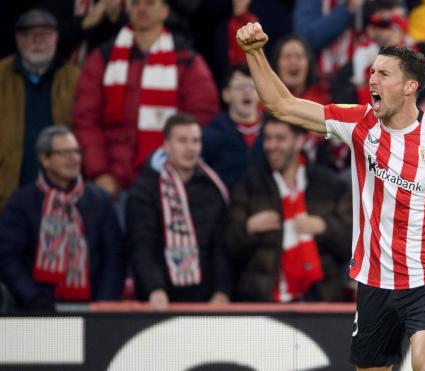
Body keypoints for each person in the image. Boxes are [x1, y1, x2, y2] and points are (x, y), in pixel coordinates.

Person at [236, 22, 425, 370]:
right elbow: (282, 105)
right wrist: (254, 53)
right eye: (372, 72)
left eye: (384, 74)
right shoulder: (359, 123)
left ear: (410, 86)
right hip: (374, 281)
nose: (372, 80)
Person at [73, 0, 219, 201]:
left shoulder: (187, 59)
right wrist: (99, 173)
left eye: (150, 3)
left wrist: (181, 168)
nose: (141, 8)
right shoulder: (103, 58)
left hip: (171, 180)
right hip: (114, 183)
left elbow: (201, 119)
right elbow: (86, 120)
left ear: (165, 10)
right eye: (135, 3)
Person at [226, 114, 352, 302]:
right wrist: (249, 227)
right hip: (263, 301)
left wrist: (326, 227)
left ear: (299, 141)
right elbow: (228, 243)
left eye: (280, 138)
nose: (271, 146)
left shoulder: (329, 185)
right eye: (268, 138)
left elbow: (353, 242)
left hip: (318, 299)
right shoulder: (250, 185)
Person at [0, 126, 124, 311]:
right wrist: (33, 299)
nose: (74, 159)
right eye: (64, 153)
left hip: (93, 309)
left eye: (76, 152)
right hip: (36, 309)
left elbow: (115, 256)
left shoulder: (99, 201)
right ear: (45, 159)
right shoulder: (21, 203)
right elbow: (8, 257)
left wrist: (103, 303)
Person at [126, 113, 232, 311]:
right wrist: (154, 289)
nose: (190, 148)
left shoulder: (213, 188)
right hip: (160, 300)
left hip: (207, 300)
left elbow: (220, 247)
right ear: (166, 145)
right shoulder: (144, 191)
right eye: (182, 141)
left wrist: (222, 291)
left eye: (195, 141)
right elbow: (143, 245)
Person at [0, 8, 80, 209]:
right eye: (29, 35)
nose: (37, 41)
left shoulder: (75, 79)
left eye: (45, 35)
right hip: (7, 193)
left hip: (63, 193)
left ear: (56, 38)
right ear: (18, 40)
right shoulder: (1, 76)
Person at [202, 64, 264, 192]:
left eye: (252, 86)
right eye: (239, 86)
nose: (247, 91)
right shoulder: (210, 137)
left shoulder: (274, 132)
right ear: (226, 94)